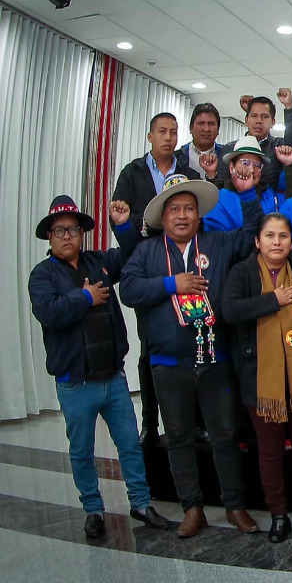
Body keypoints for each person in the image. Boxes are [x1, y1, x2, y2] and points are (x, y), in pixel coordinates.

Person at [119, 174, 264, 538]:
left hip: (216, 360)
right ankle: (192, 508)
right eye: (174, 210)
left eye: (189, 209)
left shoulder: (217, 243)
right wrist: (173, 284)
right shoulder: (147, 251)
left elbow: (251, 235)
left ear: (199, 215)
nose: (182, 216)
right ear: (163, 218)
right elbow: (129, 290)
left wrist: (248, 194)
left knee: (225, 435)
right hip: (168, 365)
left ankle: (235, 506)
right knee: (180, 437)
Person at [27, 196, 171, 539]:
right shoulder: (42, 275)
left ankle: (140, 502)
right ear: (49, 236)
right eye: (59, 230)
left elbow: (134, 254)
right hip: (75, 383)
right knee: (82, 451)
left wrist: (123, 226)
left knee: (130, 445)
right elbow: (49, 313)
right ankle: (93, 509)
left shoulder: (99, 261)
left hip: (113, 378)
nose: (66, 236)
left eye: (73, 229)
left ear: (82, 234)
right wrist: (86, 298)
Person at [223, 212, 292, 543]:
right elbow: (229, 310)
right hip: (261, 382)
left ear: (290, 241)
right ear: (257, 241)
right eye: (269, 236)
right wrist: (274, 300)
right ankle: (279, 517)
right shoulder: (242, 272)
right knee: (269, 452)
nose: (276, 242)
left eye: (283, 236)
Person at [111, 112, 202, 446]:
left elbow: (196, 218)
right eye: (162, 131)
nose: (168, 137)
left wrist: (147, 224)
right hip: (148, 264)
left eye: (173, 132)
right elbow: (122, 221)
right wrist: (145, 226)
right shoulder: (132, 173)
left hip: (185, 262)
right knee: (150, 348)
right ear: (149, 136)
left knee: (193, 342)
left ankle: (194, 421)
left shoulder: (187, 173)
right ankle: (150, 422)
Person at [201, 136, 292, 231]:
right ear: (232, 167)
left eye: (257, 165)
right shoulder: (219, 200)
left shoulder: (271, 196)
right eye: (245, 163)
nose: (252, 170)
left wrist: (290, 164)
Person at [178, 103, 229, 184]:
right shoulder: (177, 158)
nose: (206, 129)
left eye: (211, 124)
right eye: (201, 123)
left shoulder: (227, 158)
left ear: (218, 130)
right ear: (191, 128)